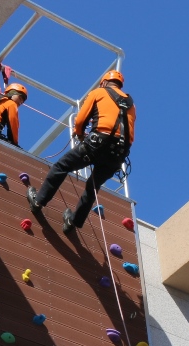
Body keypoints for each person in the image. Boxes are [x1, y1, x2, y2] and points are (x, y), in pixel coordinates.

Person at [27, 70, 135, 232]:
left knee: (61, 166)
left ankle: (38, 201)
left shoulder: (98, 92)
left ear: (104, 82)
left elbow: (81, 119)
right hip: (118, 154)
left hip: (97, 144)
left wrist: (79, 133)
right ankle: (73, 222)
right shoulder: (131, 104)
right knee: (93, 187)